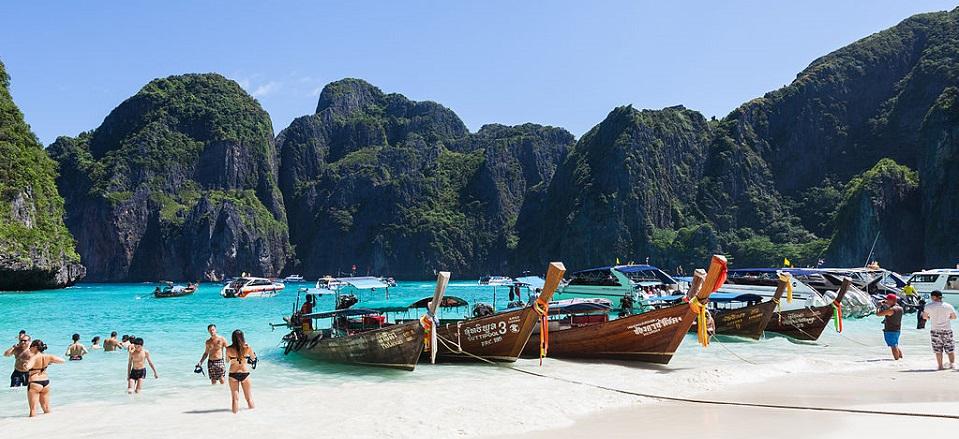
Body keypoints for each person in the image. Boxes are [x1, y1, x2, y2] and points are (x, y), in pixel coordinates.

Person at [24, 340, 64, 417]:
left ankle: (31, 427)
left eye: (31, 347)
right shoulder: (48, 356)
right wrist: (49, 362)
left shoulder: (34, 357)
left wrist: (25, 365)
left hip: (35, 382)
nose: (29, 349)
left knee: (33, 410)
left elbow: (28, 367)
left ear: (35, 347)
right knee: (46, 408)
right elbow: (62, 361)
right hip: (46, 382)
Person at [921, 290, 957, 370]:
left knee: (938, 349)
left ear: (934, 297)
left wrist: (931, 317)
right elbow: (954, 317)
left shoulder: (928, 306)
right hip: (947, 329)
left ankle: (940, 366)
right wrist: (947, 318)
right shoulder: (948, 306)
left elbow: (924, 317)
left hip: (935, 330)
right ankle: (952, 365)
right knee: (950, 348)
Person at [226, 330, 256, 413]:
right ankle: (254, 417)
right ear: (243, 337)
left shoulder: (228, 349)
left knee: (235, 399)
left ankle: (234, 419)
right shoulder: (247, 347)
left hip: (233, 374)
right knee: (249, 398)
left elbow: (227, 361)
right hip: (244, 373)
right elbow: (253, 358)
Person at [876, 293, 903, 360]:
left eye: (888, 300)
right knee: (895, 345)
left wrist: (878, 307)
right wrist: (885, 303)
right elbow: (891, 305)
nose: (887, 301)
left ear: (892, 301)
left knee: (893, 346)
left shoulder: (891, 310)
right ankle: (901, 359)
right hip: (897, 329)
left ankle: (896, 361)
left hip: (890, 330)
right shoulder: (900, 308)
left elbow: (878, 314)